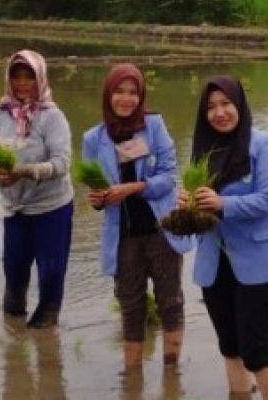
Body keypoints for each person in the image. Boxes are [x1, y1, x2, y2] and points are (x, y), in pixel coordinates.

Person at [181, 76, 268, 400]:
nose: (220, 113)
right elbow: (198, 208)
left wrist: (222, 204)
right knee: (229, 345)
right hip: (214, 262)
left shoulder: (263, 146)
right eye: (211, 107)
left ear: (239, 104)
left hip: (256, 262)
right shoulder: (203, 151)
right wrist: (187, 204)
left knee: (257, 348)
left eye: (226, 104)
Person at [82, 63, 191, 370]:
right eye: (119, 91)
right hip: (123, 237)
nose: (126, 99)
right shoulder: (93, 138)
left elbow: (169, 177)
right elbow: (97, 192)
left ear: (141, 96)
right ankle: (132, 378)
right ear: (108, 95)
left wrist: (133, 188)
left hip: (160, 230)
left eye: (133, 92)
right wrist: (98, 199)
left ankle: (172, 373)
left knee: (170, 302)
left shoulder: (154, 126)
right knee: (131, 307)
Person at [0, 50, 74, 329]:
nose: (22, 84)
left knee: (50, 273)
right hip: (15, 208)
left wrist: (23, 172)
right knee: (15, 273)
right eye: (16, 77)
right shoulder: (0, 114)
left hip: (51, 208)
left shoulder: (52, 117)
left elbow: (61, 164)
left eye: (29, 78)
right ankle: (13, 339)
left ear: (40, 79)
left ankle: (47, 341)